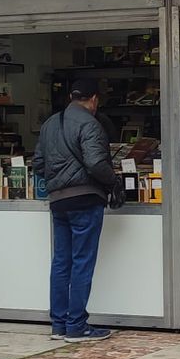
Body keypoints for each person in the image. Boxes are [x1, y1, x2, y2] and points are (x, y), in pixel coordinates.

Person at [34, 78, 118, 342]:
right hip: (85, 198)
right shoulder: (90, 124)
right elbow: (95, 163)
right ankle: (77, 325)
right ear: (93, 99)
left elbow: (38, 163)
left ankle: (59, 324)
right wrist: (114, 181)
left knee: (61, 262)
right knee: (82, 261)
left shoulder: (49, 124)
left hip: (58, 200)